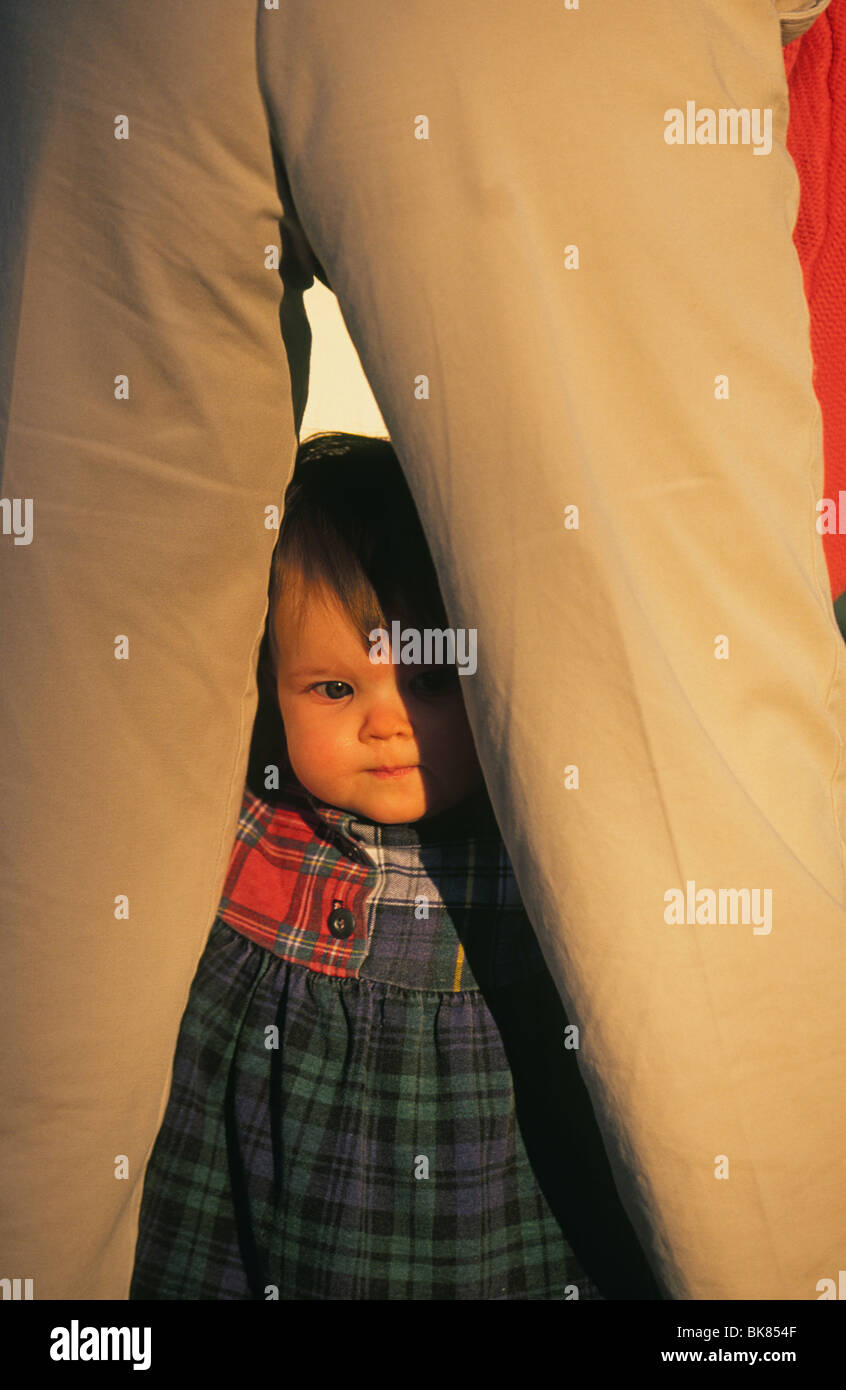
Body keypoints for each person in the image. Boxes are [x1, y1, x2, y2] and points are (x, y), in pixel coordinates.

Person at [128, 432, 659, 1300]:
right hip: (259, 1201)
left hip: (490, 1213)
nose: (387, 723)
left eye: (433, 683)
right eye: (335, 689)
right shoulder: (250, 817)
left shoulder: (538, 843)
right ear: (269, 685)